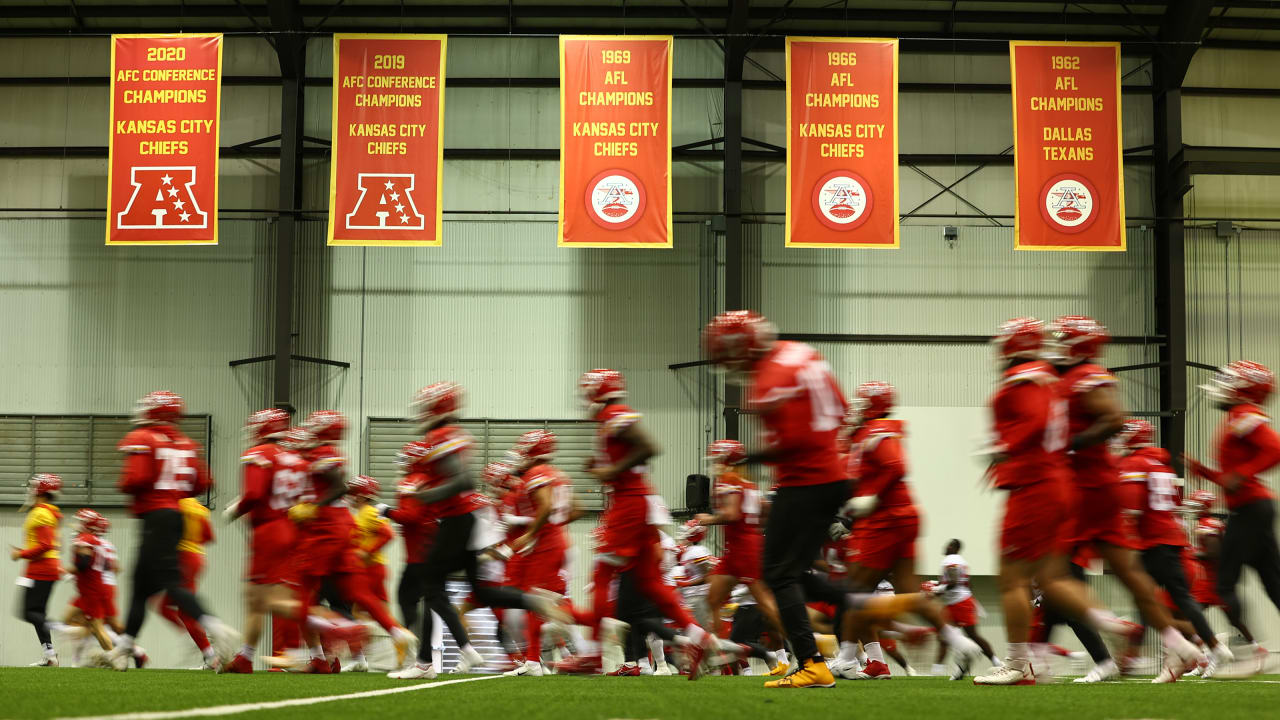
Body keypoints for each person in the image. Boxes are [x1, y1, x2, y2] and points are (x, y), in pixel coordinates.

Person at [973, 319, 1150, 686]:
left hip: (1035, 485)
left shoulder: (1025, 376)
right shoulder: (1050, 376)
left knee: (1012, 580)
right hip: (1059, 483)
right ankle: (1116, 625)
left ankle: (1018, 664)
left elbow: (1035, 421)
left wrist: (1005, 446)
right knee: (1052, 578)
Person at [1042, 316, 1203, 683]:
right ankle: (1179, 643)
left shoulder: (1087, 376)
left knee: (1051, 576)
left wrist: (1071, 445)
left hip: (1089, 491)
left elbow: (1115, 419)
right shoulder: (1070, 377)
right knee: (1129, 577)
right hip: (1095, 487)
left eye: (1062, 338)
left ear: (1079, 344)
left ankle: (1106, 633)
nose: (1055, 343)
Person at [703, 310, 848, 689]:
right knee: (793, 572)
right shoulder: (800, 353)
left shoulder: (769, 380)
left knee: (778, 576)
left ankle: (812, 662)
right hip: (834, 474)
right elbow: (842, 411)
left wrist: (750, 457)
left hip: (806, 481)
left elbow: (792, 444)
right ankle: (854, 603)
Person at [391, 383, 567, 680]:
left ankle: (430, 663)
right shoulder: (453, 435)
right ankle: (530, 601)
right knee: (480, 591)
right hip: (468, 520)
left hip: (456, 519)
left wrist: (425, 496)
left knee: (432, 585)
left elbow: (462, 481)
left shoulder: (440, 436)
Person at [555, 370, 713, 678]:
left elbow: (649, 446)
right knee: (650, 583)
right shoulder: (611, 418)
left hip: (630, 502)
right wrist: (605, 468)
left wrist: (610, 470)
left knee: (601, 573)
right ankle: (699, 639)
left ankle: (595, 654)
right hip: (637, 501)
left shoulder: (615, 413)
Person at [107, 391, 237, 671]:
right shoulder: (186, 443)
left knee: (171, 584)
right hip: (173, 514)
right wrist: (175, 492)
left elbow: (136, 478)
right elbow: (203, 482)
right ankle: (125, 647)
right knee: (140, 586)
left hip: (156, 516)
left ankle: (215, 627)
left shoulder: (142, 438)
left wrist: (131, 487)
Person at [290, 411, 414, 674]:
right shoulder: (324, 456)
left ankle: (336, 641)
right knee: (358, 596)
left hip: (328, 533)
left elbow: (338, 487)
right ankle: (395, 632)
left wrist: (312, 507)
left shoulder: (322, 454)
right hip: (342, 534)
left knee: (302, 598)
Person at [1115, 418, 1234, 675]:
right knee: (1173, 599)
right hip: (1174, 542)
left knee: (1146, 601)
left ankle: (1148, 655)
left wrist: (1126, 542)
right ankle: (1210, 646)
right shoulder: (1162, 465)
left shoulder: (1134, 463)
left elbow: (1133, 508)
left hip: (1151, 542)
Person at [1183, 360, 1280, 657]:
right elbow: (1231, 478)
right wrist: (1205, 472)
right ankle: (1249, 644)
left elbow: (1274, 449)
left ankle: (1246, 646)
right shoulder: (1238, 416)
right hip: (1256, 506)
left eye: (1230, 381)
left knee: (1223, 585)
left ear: (1244, 388)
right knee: (1274, 584)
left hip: (1249, 508)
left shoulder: (1243, 414)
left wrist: (1244, 473)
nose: (1223, 387)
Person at [222, 412, 316, 673]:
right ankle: (245, 657)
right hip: (289, 529)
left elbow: (253, 493)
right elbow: (306, 501)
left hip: (269, 530)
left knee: (261, 599)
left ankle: (336, 627)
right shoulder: (296, 459)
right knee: (259, 598)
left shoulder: (260, 453)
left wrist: (235, 510)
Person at [502, 430, 581, 677]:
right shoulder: (558, 475)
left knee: (536, 600)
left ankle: (541, 659)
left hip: (547, 542)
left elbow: (545, 505)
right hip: (556, 539)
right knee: (544, 600)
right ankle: (536, 659)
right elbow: (577, 508)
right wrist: (556, 524)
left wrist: (533, 532)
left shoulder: (537, 473)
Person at [694, 439, 786, 650]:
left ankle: (804, 649)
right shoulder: (748, 483)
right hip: (740, 547)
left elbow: (731, 513)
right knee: (713, 598)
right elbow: (765, 511)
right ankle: (722, 651)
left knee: (764, 602)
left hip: (743, 548)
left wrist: (708, 519)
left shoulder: (728, 479)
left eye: (717, 457)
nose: (714, 462)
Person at [158, 496, 220, 669]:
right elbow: (208, 536)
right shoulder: (199, 507)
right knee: (166, 607)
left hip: (182, 557)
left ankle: (209, 642)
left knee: (182, 612)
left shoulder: (175, 504)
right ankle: (208, 652)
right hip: (197, 558)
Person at [12, 474, 64, 667]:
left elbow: (45, 544)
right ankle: (50, 655)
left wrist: (21, 553)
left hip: (40, 568)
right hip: (41, 568)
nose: (31, 490)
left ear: (41, 490)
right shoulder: (49, 511)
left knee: (28, 612)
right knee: (36, 613)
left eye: (34, 487)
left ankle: (62, 628)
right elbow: (56, 544)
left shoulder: (41, 513)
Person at [345, 475, 395, 672]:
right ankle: (361, 658)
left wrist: (366, 552)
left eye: (353, 493)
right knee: (370, 614)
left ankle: (362, 656)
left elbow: (388, 534)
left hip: (372, 569)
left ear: (361, 496)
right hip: (373, 568)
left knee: (365, 614)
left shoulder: (368, 512)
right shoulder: (364, 512)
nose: (351, 497)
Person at [933, 539, 1001, 678]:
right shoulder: (960, 561)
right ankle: (941, 671)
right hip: (955, 603)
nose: (945, 547)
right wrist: (936, 586)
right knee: (944, 636)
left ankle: (998, 664)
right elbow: (967, 585)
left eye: (948, 545)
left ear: (953, 547)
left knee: (972, 636)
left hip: (960, 603)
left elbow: (953, 581)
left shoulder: (951, 559)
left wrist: (937, 588)